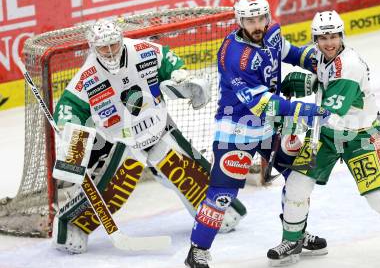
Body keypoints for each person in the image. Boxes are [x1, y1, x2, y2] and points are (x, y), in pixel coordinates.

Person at [51, 19, 248, 254]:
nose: (110, 52)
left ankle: (214, 210)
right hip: (121, 142)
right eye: (104, 48)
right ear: (93, 48)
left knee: (184, 168)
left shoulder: (143, 51)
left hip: (159, 128)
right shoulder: (87, 76)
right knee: (115, 187)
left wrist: (181, 77)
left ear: (121, 39)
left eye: (114, 44)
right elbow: (69, 107)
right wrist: (69, 128)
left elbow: (169, 61)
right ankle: (70, 225)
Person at [267, 10, 380, 265]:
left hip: (359, 136)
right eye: (322, 37)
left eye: (333, 36)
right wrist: (306, 79)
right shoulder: (320, 55)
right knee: (297, 185)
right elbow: (306, 63)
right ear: (315, 39)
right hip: (326, 136)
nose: (329, 42)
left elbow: (328, 113)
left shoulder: (349, 66)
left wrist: (287, 118)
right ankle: (292, 239)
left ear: (342, 36)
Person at [184, 0, 331, 267]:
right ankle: (197, 251)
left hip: (270, 127)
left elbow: (291, 53)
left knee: (300, 177)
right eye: (249, 20)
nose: (256, 24)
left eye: (260, 18)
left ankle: (294, 233)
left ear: (267, 17)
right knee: (222, 195)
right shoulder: (233, 55)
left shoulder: (272, 32)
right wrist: (306, 110)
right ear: (239, 21)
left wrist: (320, 60)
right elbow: (262, 104)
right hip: (238, 130)